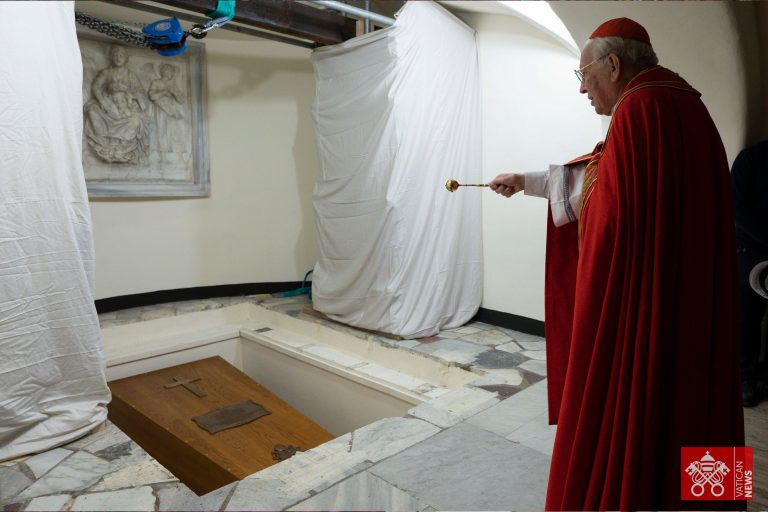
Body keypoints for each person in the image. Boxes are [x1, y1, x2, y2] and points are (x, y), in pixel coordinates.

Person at [490, 18, 744, 510]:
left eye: (584, 74)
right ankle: (716, 500)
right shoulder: (688, 105)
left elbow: (607, 214)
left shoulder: (637, 111)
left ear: (612, 63)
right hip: (695, 298)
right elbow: (606, 181)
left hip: (646, 306)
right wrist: (526, 180)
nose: (583, 87)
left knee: (640, 406)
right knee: (701, 394)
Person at [731, 140, 768, 407]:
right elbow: (736, 208)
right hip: (752, 249)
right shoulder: (751, 159)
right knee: (746, 315)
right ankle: (745, 376)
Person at [84, 44, 150, 164]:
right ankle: (105, 144)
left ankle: (122, 147)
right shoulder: (106, 73)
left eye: (121, 55)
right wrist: (103, 102)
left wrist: (132, 95)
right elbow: (96, 87)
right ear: (111, 58)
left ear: (126, 58)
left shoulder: (131, 76)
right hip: (108, 106)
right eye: (115, 55)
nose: (118, 58)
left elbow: (141, 94)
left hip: (126, 108)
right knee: (92, 111)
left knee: (136, 121)